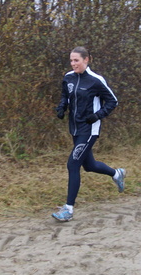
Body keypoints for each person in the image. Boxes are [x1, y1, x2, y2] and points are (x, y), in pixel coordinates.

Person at [52, 46, 126, 222]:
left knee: (73, 164)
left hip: (90, 130)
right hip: (75, 128)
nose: (73, 64)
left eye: (76, 60)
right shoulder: (68, 77)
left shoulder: (95, 80)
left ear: (87, 60)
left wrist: (97, 116)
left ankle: (68, 209)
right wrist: (62, 107)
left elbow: (112, 101)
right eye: (71, 60)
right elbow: (66, 95)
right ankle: (117, 174)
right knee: (89, 165)